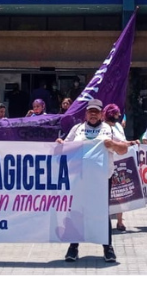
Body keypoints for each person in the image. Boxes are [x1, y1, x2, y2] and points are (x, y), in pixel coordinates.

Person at [57, 99, 131, 263]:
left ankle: (107, 247)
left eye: (96, 111)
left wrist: (112, 144)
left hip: (102, 180)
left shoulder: (109, 130)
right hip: (78, 179)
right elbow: (65, 146)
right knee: (76, 212)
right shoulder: (77, 129)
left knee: (102, 213)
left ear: (101, 114)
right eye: (90, 111)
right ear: (86, 113)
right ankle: (73, 247)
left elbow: (124, 149)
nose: (93, 114)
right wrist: (60, 144)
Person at [103, 103, 134, 231]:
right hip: (109, 164)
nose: (119, 115)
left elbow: (122, 141)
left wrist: (132, 142)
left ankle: (120, 221)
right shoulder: (104, 128)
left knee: (120, 193)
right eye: (117, 113)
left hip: (121, 162)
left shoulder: (118, 126)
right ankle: (106, 222)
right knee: (107, 196)